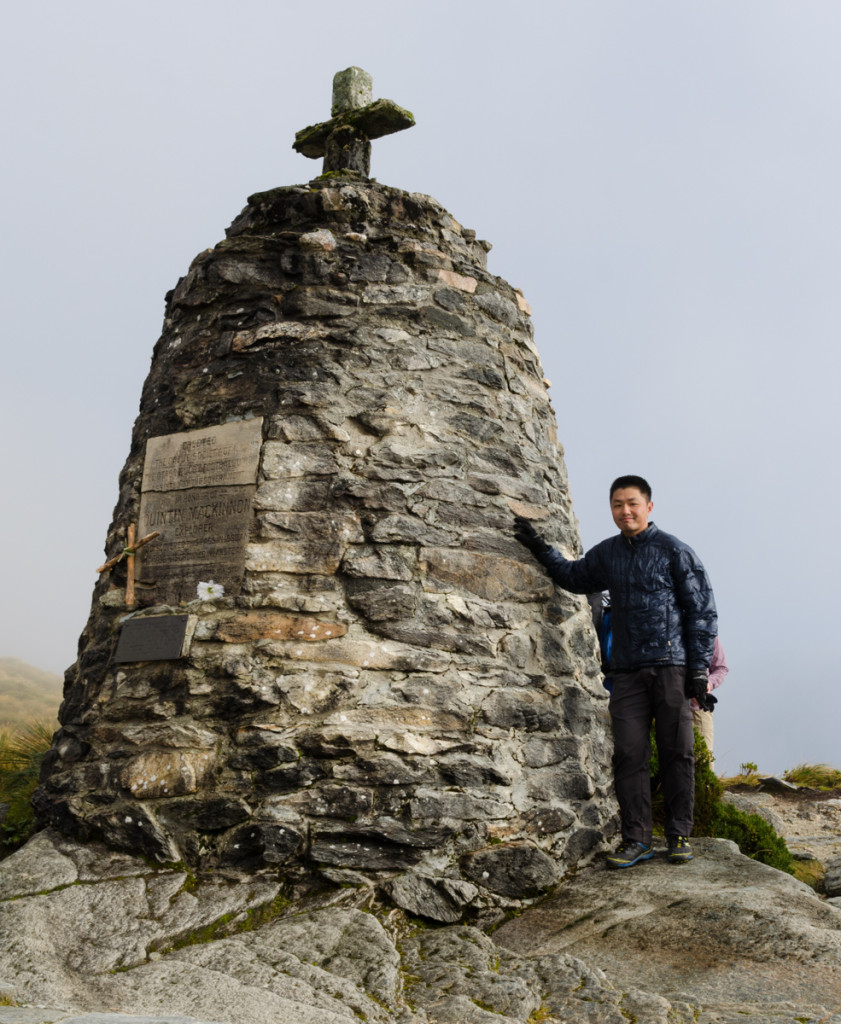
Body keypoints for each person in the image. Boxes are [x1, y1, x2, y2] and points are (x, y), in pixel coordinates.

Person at [514, 475, 717, 868]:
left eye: (632, 504)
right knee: (628, 754)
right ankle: (636, 839)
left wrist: (697, 671)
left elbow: (701, 612)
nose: (625, 511)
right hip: (625, 672)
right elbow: (574, 577)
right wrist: (540, 548)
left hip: (671, 667)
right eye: (617, 505)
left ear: (649, 507)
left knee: (678, 753)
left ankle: (678, 835)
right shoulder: (607, 554)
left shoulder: (675, 551)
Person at [691, 635, 728, 755]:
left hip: (698, 708)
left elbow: (721, 668)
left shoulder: (707, 632)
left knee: (703, 760)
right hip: (669, 707)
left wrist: (708, 684)